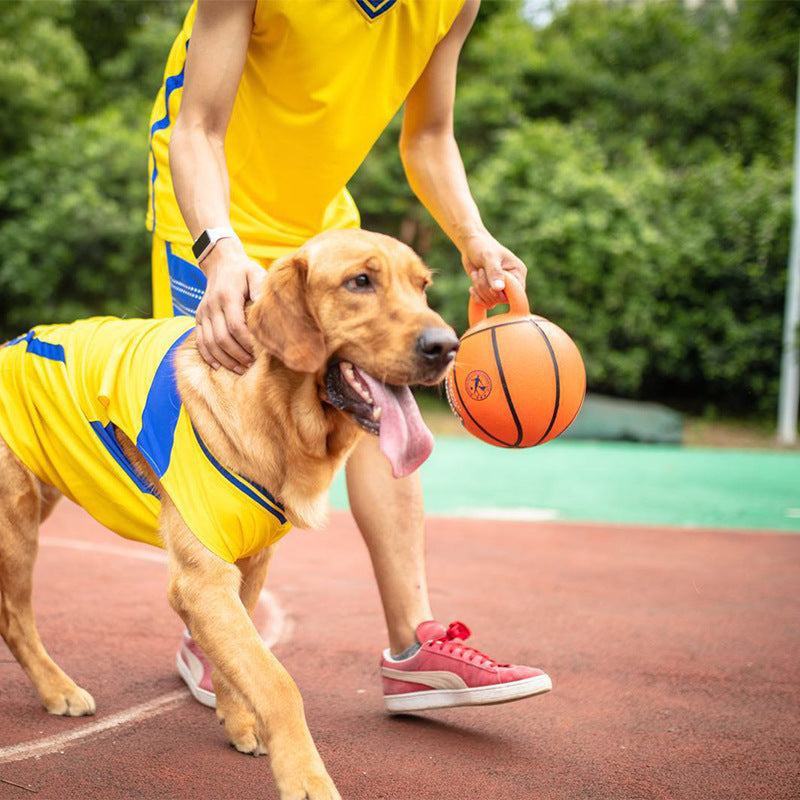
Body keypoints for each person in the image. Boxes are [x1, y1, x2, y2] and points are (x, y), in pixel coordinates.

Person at [147, 0, 552, 713]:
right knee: (224, 430)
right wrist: (219, 251)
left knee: (377, 389)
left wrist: (472, 235)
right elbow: (198, 128)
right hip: (213, 208)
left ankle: (413, 646)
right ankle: (212, 624)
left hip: (323, 220)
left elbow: (429, 135)